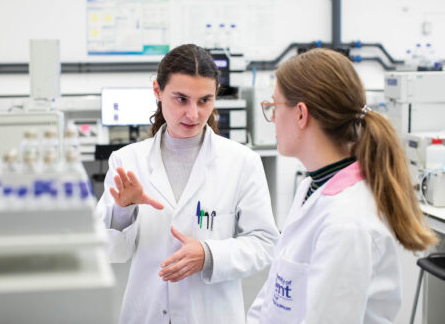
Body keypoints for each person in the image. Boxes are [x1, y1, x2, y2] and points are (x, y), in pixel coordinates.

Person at [247, 48, 437, 324]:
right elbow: (276, 288)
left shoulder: (347, 223)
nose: (272, 118)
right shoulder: (312, 187)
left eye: (274, 107)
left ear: (301, 114)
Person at [96, 44, 279, 324]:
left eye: (204, 100)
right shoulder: (127, 161)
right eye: (181, 99)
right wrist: (123, 211)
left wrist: (208, 254)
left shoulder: (242, 162)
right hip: (147, 311)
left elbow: (265, 243)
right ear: (157, 91)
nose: (193, 114)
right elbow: (110, 251)